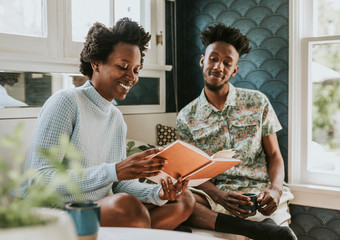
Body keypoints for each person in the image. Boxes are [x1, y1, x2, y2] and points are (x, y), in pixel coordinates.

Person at [22, 18, 195, 230]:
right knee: (128, 208)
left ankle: (139, 228)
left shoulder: (115, 118)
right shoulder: (66, 102)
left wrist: (158, 194)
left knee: (184, 200)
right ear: (96, 63)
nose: (131, 77)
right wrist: (114, 170)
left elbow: (120, 184)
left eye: (136, 70)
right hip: (55, 210)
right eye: (123, 66)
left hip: (95, 208)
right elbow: (39, 180)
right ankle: (141, 227)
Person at [176, 23, 297, 239]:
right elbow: (191, 171)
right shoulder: (186, 116)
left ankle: (267, 225)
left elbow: (274, 156)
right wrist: (219, 196)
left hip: (259, 195)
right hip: (214, 196)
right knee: (176, 199)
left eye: (227, 63)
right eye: (213, 58)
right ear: (203, 60)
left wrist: (275, 190)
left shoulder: (258, 102)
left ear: (234, 70)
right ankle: (250, 228)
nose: (218, 66)